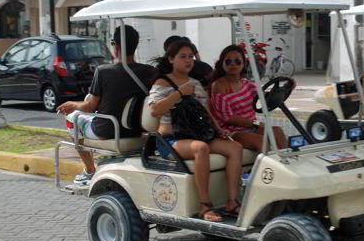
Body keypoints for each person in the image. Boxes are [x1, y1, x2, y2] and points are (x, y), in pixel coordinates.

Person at [147, 41, 244, 222]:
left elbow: (205, 111)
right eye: (183, 57)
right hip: (171, 140)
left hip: (197, 134)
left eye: (191, 56)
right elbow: (155, 110)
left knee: (235, 147)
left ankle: (232, 201)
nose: (188, 60)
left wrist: (218, 129)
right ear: (171, 59)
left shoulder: (195, 84)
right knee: (201, 148)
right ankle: (204, 205)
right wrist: (179, 93)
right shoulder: (163, 82)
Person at [57, 25, 156, 185]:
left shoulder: (103, 71)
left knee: (73, 118)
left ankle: (89, 170)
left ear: (116, 46)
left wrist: (73, 105)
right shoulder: (150, 71)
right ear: (135, 45)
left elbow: (90, 107)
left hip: (107, 130)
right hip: (137, 130)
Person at [210, 44, 287, 151]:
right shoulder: (219, 86)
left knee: (277, 131)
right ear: (222, 64)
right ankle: (271, 165)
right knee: (261, 141)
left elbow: (266, 97)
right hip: (231, 131)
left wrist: (287, 88)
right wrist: (256, 124)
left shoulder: (248, 84)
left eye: (237, 61)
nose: (233, 65)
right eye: (228, 61)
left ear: (243, 64)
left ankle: (284, 162)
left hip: (251, 127)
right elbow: (228, 118)